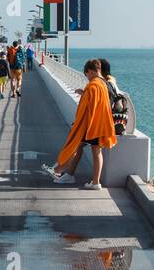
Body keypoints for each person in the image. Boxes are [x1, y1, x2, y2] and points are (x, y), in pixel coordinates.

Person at [45, 58, 117, 190]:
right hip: (101, 122)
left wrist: (79, 123)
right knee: (89, 149)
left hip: (91, 123)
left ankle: (60, 170)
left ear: (90, 71)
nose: (87, 78)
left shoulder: (93, 85)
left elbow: (87, 105)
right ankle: (69, 174)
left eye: (87, 75)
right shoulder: (104, 83)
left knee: (77, 145)